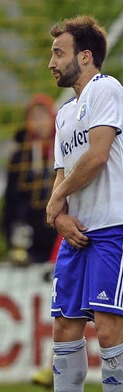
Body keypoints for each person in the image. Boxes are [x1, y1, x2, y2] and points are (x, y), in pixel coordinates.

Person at [40, 15, 123, 392]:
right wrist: (59, 215)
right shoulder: (64, 113)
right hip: (76, 231)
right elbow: (63, 171)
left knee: (106, 328)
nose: (51, 63)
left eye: (58, 53)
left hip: (112, 228)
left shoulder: (107, 89)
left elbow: (98, 156)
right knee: (64, 327)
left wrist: (56, 199)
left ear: (85, 56)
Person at [3, 93, 59, 266]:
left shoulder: (62, 148)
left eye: (43, 116)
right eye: (34, 117)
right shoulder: (20, 156)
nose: (39, 122)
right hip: (29, 236)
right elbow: (12, 198)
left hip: (58, 230)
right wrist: (14, 229)